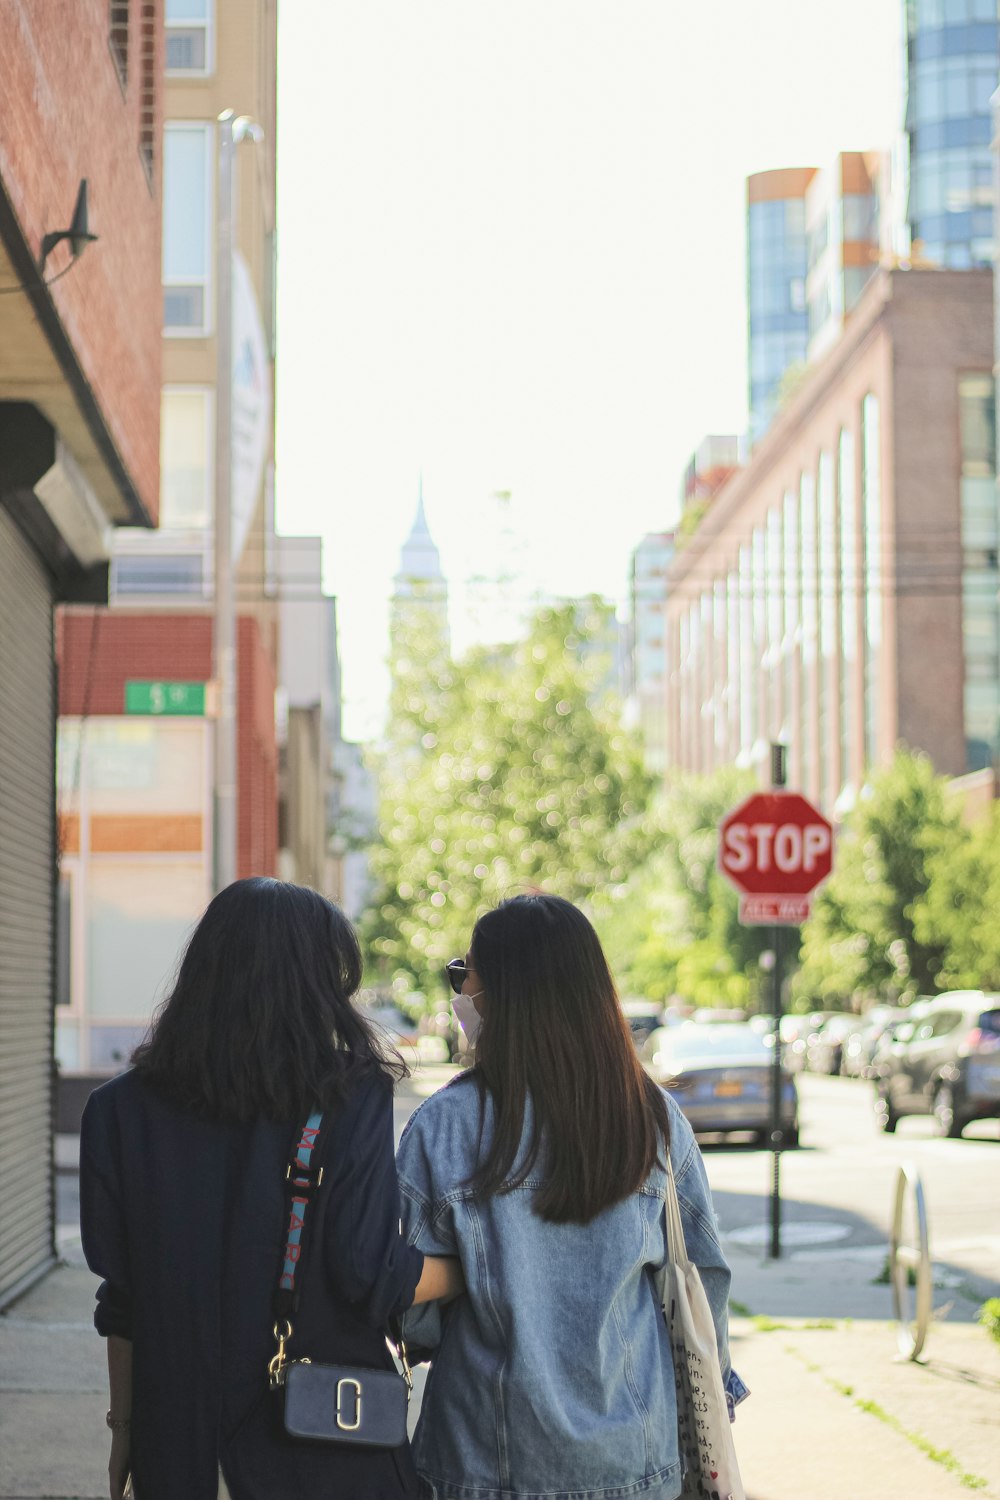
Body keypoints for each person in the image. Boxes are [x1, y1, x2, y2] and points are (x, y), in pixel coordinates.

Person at [80, 878, 463, 1500]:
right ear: (316, 982)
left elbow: (122, 1299)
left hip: (179, 1447)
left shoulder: (117, 1112)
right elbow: (369, 1270)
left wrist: (125, 1429)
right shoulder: (348, 1094)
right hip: (324, 1444)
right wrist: (471, 1266)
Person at [396, 892, 747, 1500]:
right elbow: (702, 1277)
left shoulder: (443, 1127)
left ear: (501, 992)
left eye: (464, 976)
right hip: (633, 1464)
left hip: (478, 1462)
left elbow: (402, 1303)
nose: (458, 995)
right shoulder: (654, 1119)